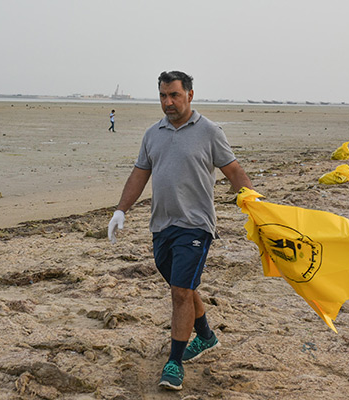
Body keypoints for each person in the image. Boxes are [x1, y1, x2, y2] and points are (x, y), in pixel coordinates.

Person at [107, 71, 253, 391]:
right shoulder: (152, 134)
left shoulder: (209, 131)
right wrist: (120, 210)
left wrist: (256, 206)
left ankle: (174, 362)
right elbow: (139, 174)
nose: (168, 102)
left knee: (180, 292)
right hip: (161, 225)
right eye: (163, 96)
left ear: (190, 94)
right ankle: (206, 336)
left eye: (174, 95)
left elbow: (234, 171)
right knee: (182, 286)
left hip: (196, 225)